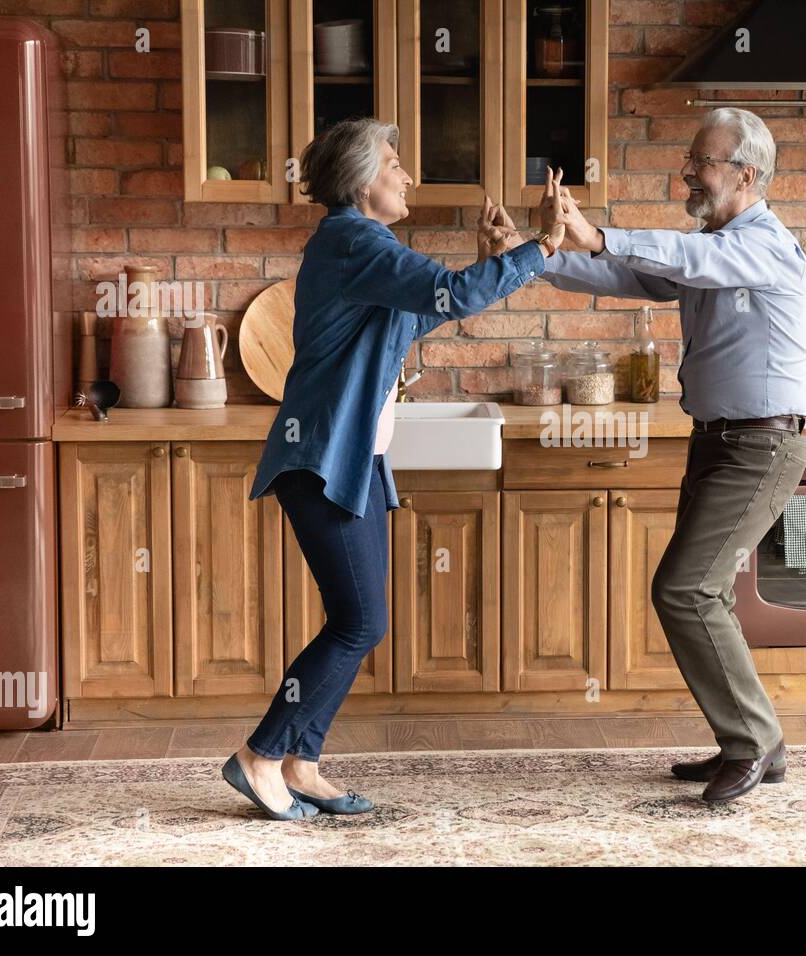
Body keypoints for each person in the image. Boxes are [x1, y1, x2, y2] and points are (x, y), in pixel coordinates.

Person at [221, 118, 565, 820]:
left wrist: (484, 262)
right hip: (322, 459)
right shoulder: (355, 239)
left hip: (353, 460)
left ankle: (301, 761)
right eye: (395, 164)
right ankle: (262, 753)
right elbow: (457, 296)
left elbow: (414, 319)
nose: (406, 176)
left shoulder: (359, 246)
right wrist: (546, 246)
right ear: (361, 179)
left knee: (360, 620)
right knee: (359, 622)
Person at [491, 107, 806, 802]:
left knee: (684, 589)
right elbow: (634, 278)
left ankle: (751, 742)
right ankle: (760, 742)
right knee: (705, 591)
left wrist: (600, 233)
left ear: (745, 174)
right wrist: (536, 256)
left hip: (760, 445)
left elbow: (687, 258)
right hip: (720, 441)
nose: (688, 171)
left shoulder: (763, 245)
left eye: (702, 160)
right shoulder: (716, 244)